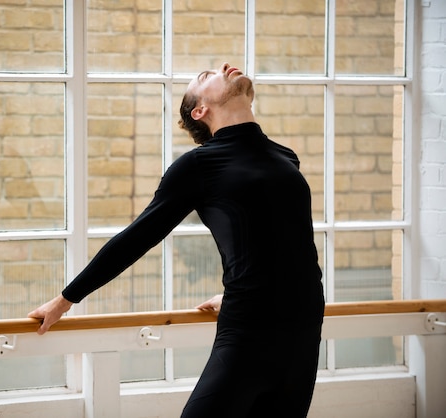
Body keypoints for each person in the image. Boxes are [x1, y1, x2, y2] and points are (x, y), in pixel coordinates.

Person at [28, 62, 325, 417]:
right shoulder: (197, 167)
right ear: (201, 111)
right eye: (206, 76)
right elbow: (136, 238)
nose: (225, 66)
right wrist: (65, 300)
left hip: (304, 327)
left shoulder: (285, 156)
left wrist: (232, 291)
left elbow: (284, 242)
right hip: (250, 328)